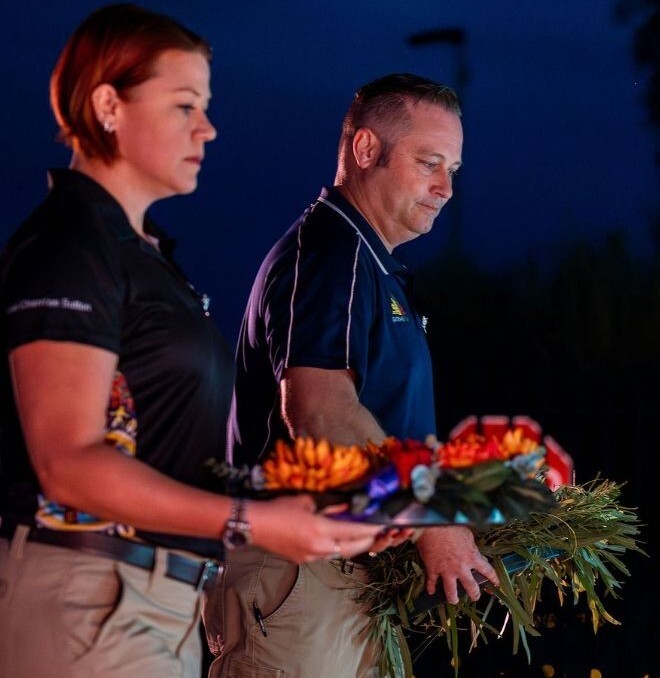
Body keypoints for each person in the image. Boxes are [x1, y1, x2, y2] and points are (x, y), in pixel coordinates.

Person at [0, 6, 405, 677]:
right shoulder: (70, 248)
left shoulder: (142, 258)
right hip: (85, 598)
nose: (208, 128)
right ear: (108, 105)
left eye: (206, 106)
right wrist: (257, 523)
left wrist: (314, 507)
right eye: (184, 105)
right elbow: (67, 462)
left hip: (153, 604)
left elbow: (166, 454)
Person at [204, 73, 500, 677]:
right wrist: (430, 515)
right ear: (366, 151)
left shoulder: (370, 263)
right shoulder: (331, 251)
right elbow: (319, 409)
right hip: (300, 570)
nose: (446, 187)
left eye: (454, 169)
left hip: (342, 579)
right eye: (429, 162)